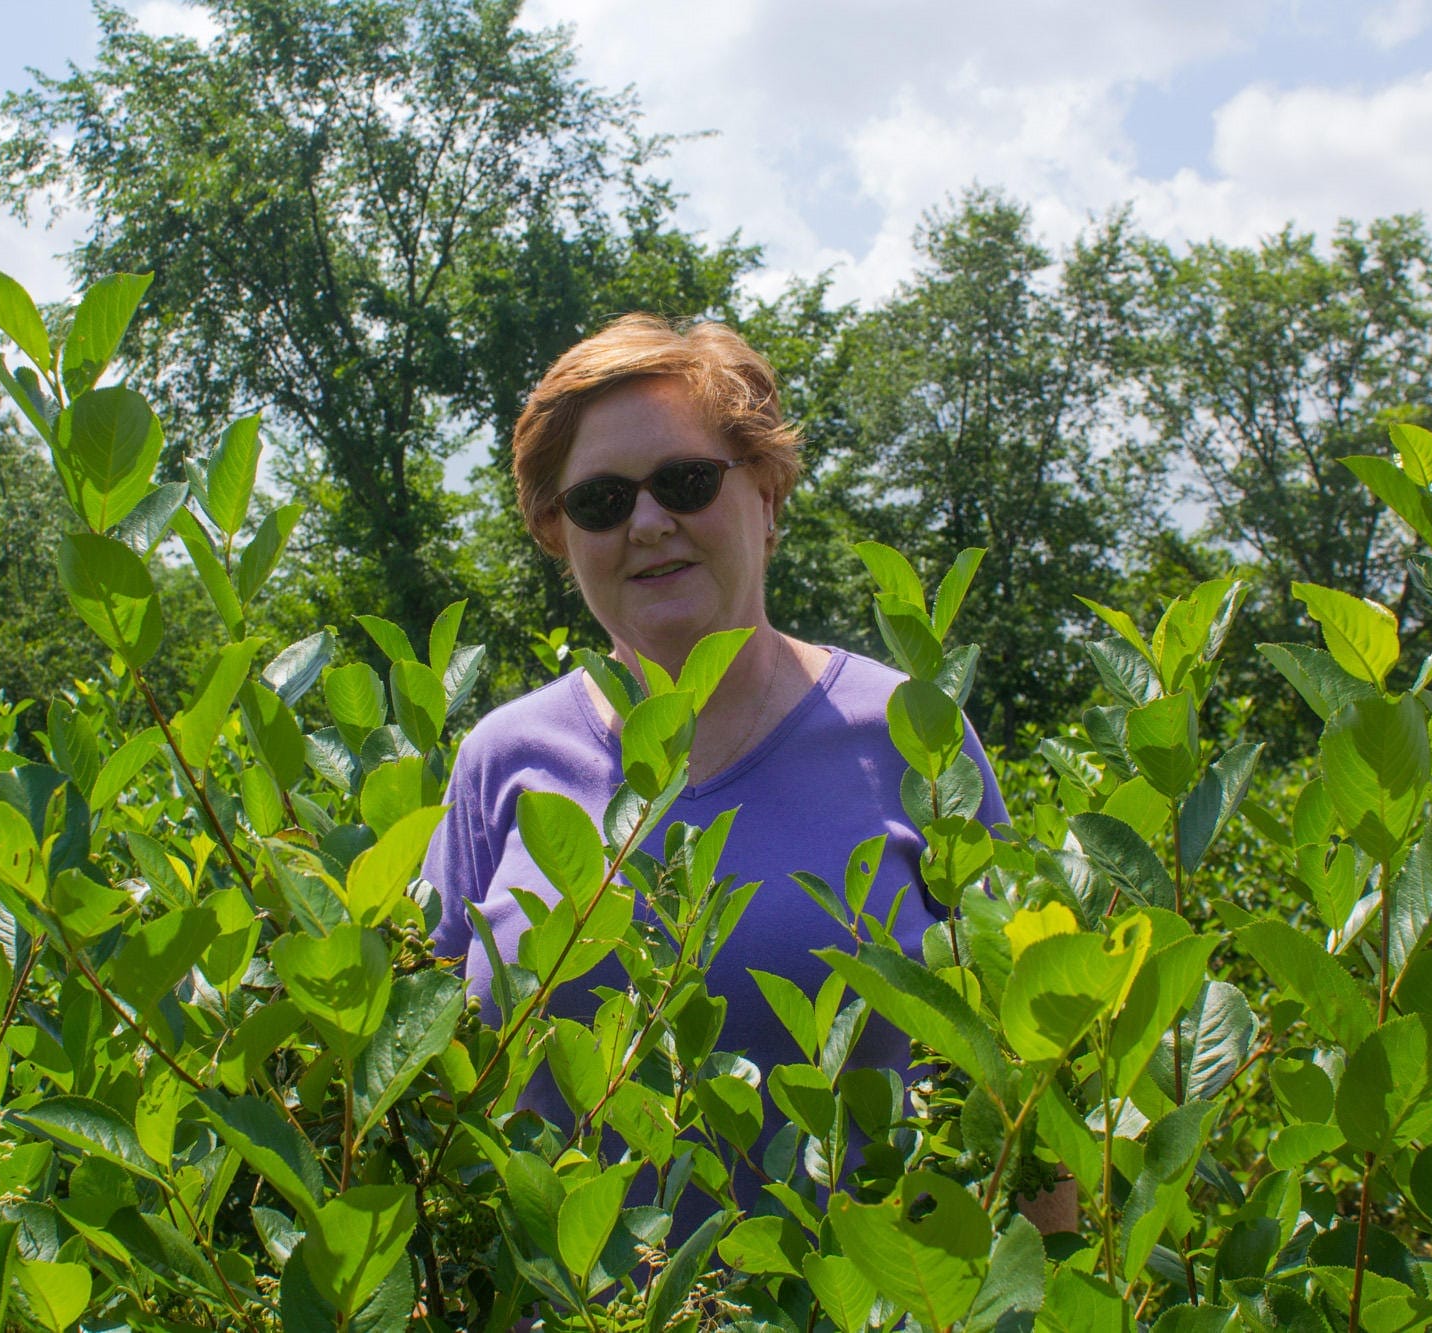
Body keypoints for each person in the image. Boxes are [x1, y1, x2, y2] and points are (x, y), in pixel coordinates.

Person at [423, 312, 1008, 1141]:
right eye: (601, 500)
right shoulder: (501, 761)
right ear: (561, 534)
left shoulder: (908, 731)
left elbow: (1019, 1078)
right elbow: (435, 1082)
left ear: (766, 494)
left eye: (686, 481)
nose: (649, 522)